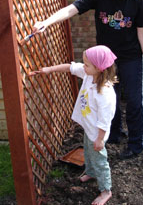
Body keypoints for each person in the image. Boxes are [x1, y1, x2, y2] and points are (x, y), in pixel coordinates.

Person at [33, 0, 143, 160]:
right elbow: (72, 8)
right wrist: (47, 21)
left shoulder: (137, 0)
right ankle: (112, 134)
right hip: (105, 61)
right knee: (108, 97)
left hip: (132, 58)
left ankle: (136, 143)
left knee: (135, 101)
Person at [29, 45, 117, 205]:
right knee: (88, 154)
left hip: (97, 134)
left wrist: (99, 139)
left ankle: (106, 190)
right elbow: (69, 67)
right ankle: (90, 172)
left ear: (99, 68)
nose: (83, 66)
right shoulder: (89, 74)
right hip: (88, 128)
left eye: (87, 64)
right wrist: (49, 69)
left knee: (100, 160)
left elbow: (105, 121)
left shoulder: (105, 93)